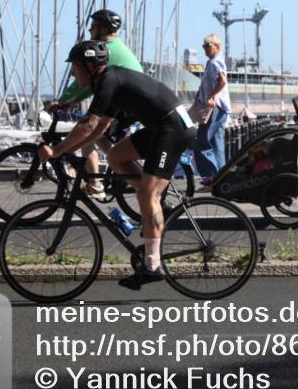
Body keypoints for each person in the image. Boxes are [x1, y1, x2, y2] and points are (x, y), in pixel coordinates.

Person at [38, 40, 196, 290]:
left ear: (90, 66)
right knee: (116, 156)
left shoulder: (108, 81)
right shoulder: (107, 83)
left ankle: (152, 265)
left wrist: (57, 150)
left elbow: (89, 125)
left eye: (75, 67)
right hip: (161, 127)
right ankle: (154, 206)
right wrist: (71, 149)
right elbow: (97, 130)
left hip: (174, 128)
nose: (72, 72)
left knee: (147, 191)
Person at [45, 10, 143, 197]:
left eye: (92, 26)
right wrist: (71, 101)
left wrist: (64, 100)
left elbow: (84, 81)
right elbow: (93, 83)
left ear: (102, 28)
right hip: (125, 102)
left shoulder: (105, 50)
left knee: (89, 132)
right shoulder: (111, 46)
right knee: (91, 134)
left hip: (128, 105)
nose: (89, 30)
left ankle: (100, 183)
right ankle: (102, 178)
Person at [193, 33, 231, 184]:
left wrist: (210, 96)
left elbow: (222, 81)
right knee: (216, 143)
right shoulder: (212, 62)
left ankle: (209, 176)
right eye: (204, 46)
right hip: (220, 108)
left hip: (215, 107)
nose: (205, 49)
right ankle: (222, 176)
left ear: (217, 46)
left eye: (208, 46)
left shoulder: (215, 62)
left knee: (201, 140)